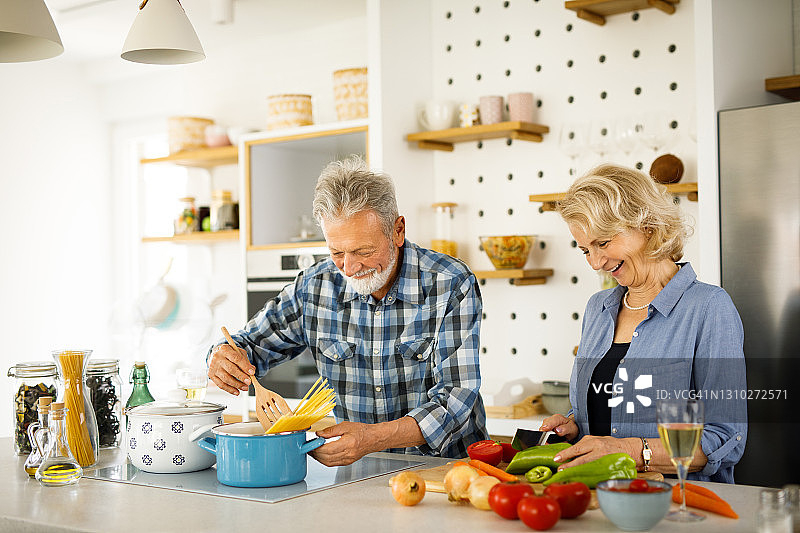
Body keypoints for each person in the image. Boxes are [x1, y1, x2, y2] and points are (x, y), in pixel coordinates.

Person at [207, 155, 488, 466]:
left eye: (363, 251)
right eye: (336, 252)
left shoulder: (450, 283)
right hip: (359, 472)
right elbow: (247, 346)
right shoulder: (313, 287)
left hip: (448, 470)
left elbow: (456, 400)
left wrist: (371, 438)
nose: (350, 268)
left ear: (397, 230)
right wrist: (221, 357)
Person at [539, 164, 747, 483]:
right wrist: (575, 426)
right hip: (597, 500)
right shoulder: (598, 308)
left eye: (604, 243)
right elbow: (607, 415)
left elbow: (726, 439)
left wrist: (631, 451)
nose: (596, 263)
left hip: (677, 508)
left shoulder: (708, 307)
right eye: (585, 251)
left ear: (646, 226)